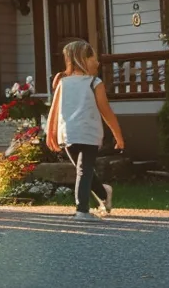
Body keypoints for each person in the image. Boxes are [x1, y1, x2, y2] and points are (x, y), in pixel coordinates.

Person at [43, 40, 126, 221]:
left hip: (89, 133)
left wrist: (117, 136)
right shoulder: (63, 82)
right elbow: (55, 109)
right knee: (84, 171)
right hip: (69, 134)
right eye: (94, 58)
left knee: (83, 170)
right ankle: (104, 193)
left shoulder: (95, 83)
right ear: (83, 59)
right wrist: (51, 133)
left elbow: (106, 112)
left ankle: (82, 210)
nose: (97, 62)